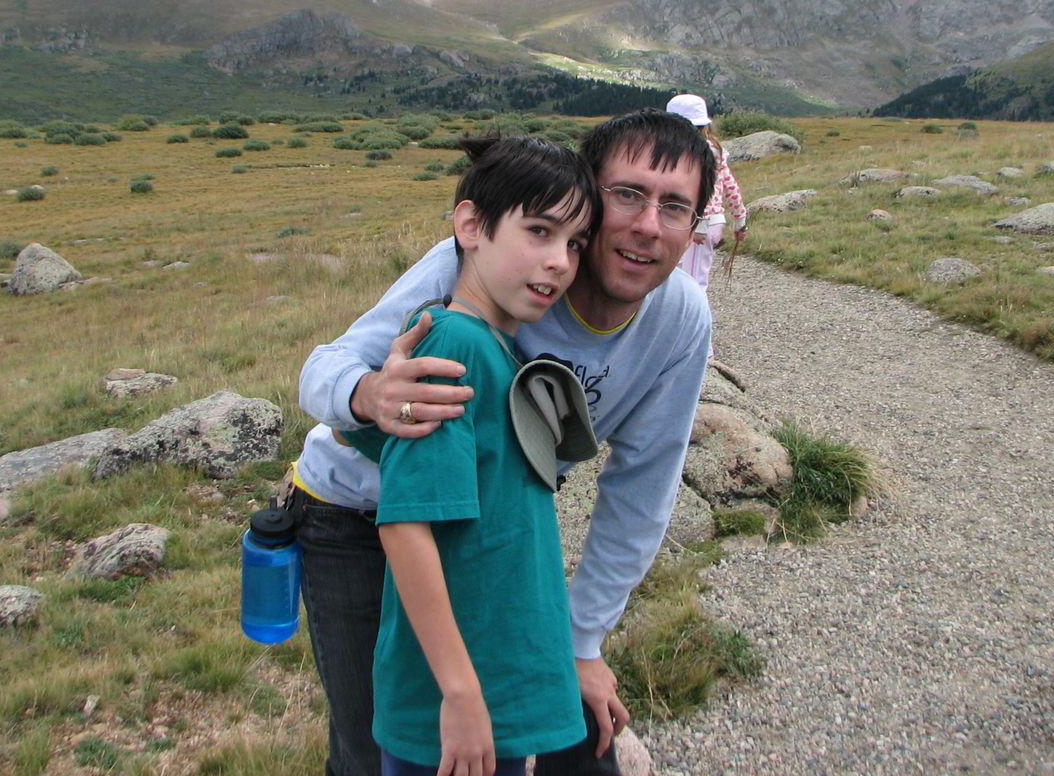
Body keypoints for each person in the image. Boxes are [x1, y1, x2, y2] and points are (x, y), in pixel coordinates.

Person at [293, 109, 716, 776]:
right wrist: (372, 394)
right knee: (377, 744)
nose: (645, 225)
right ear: (586, 190)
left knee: (526, 730)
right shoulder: (488, 265)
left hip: (478, 529)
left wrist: (580, 641)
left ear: (694, 229)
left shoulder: (676, 320)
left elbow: (642, 490)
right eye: (627, 194)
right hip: (353, 513)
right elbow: (321, 371)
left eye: (674, 207)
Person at [345, 134, 600, 775]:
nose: (560, 262)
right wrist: (459, 694)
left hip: (497, 688)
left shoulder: (495, 347)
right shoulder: (451, 346)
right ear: (471, 226)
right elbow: (406, 525)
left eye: (574, 243)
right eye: (539, 231)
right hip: (457, 705)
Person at [663, 94, 747, 298]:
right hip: (704, 223)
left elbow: (703, 189)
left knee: (690, 279)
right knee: (689, 275)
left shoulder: (697, 152)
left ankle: (691, 322)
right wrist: (740, 220)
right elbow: (730, 186)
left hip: (699, 224)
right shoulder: (715, 150)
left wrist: (699, 223)